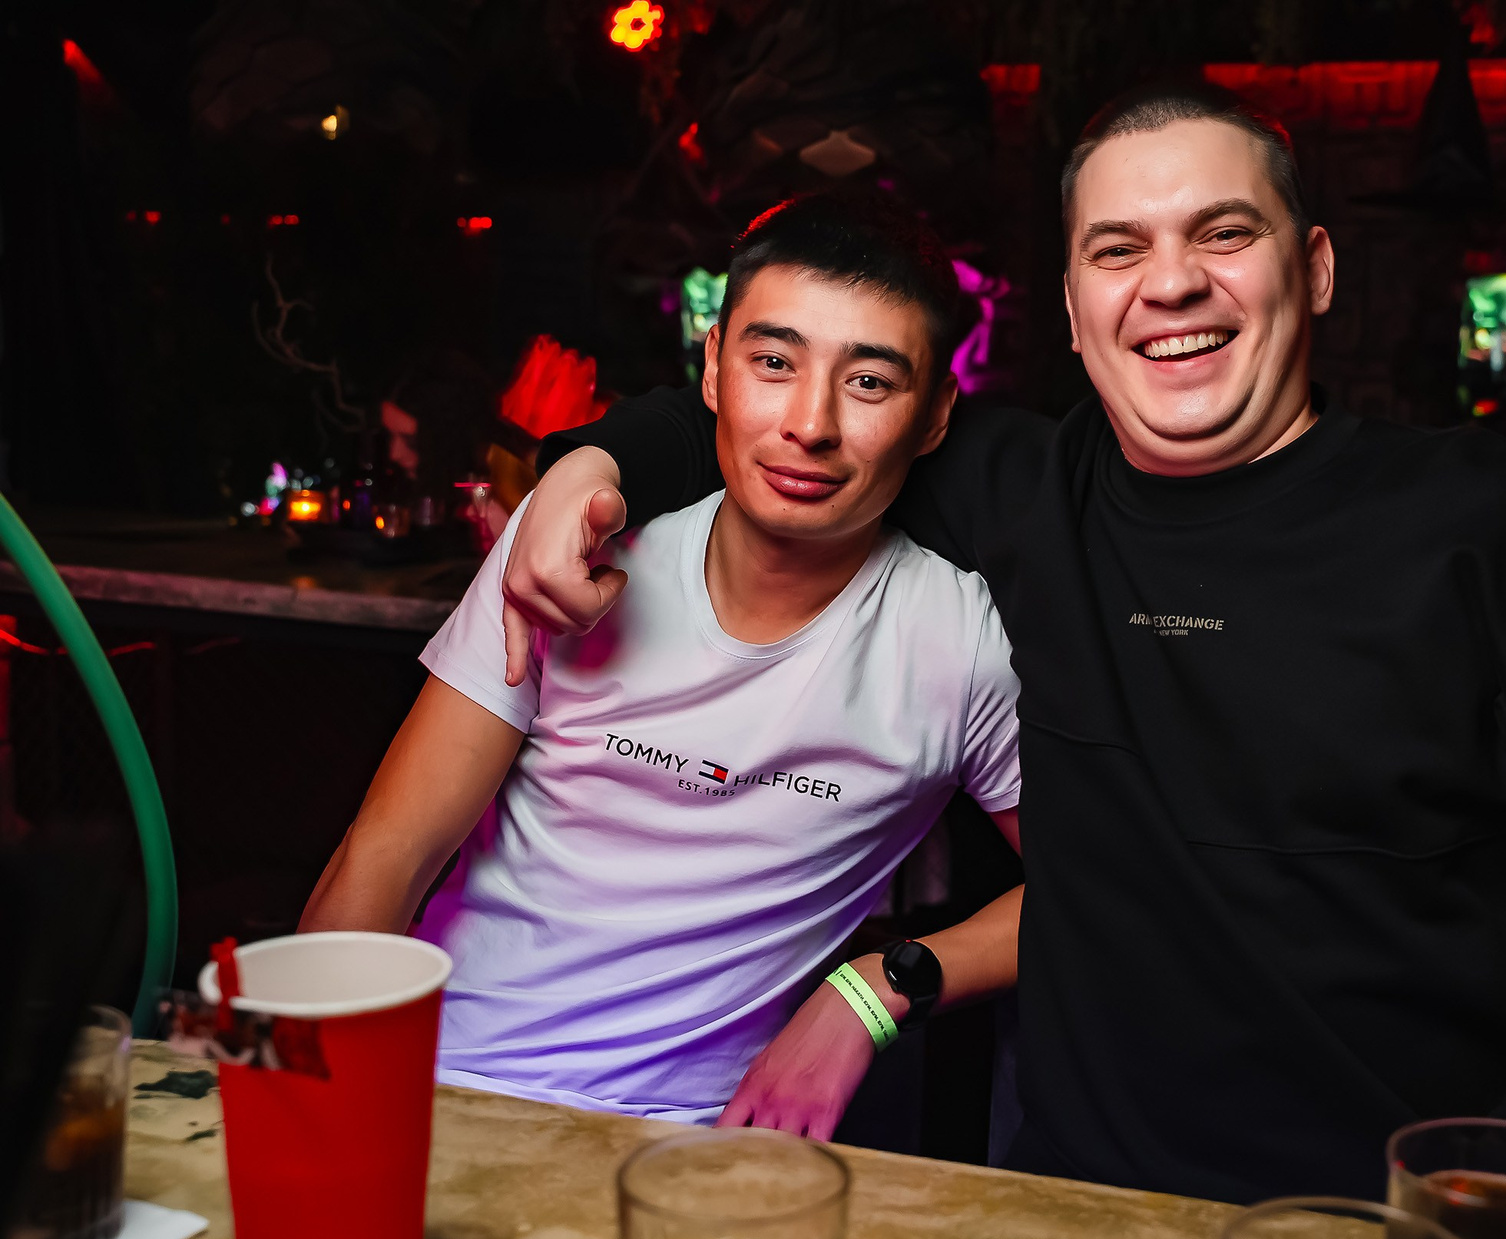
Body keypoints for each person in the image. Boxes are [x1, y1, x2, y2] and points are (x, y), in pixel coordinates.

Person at [502, 82, 1506, 1206]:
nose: (1171, 281)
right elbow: (778, 419)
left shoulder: (1497, 528)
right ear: (1075, 312)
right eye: (1118, 248)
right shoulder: (1020, 493)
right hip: (1078, 1212)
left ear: (1316, 270)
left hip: (1393, 1230)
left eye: (1223, 233)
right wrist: (590, 464)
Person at [300, 192, 1024, 1134]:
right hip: (436, 1083)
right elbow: (388, 853)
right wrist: (303, 1101)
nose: (810, 423)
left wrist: (875, 991)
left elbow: (1099, 893)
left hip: (697, 1144)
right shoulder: (574, 551)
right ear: (713, 369)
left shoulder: (957, 642)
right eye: (774, 363)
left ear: (933, 418)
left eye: (870, 383)